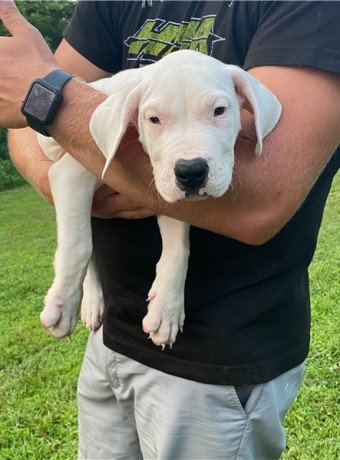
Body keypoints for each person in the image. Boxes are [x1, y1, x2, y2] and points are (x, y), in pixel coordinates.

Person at [1, 1, 339, 458]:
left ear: (247, 104)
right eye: (156, 120)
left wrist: (47, 97)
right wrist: (79, 261)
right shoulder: (114, 10)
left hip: (219, 357)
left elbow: (262, 201)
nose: (191, 156)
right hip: (110, 338)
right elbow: (33, 123)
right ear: (135, 115)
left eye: (219, 112)